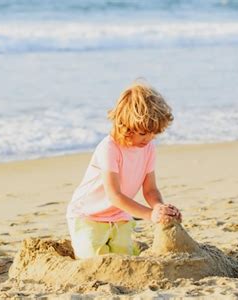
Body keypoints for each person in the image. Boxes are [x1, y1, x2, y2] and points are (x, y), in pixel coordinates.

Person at [66, 81, 182, 259]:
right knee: (94, 260)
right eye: (143, 133)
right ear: (126, 125)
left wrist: (159, 207)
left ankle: (126, 243)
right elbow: (115, 196)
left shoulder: (148, 148)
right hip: (88, 215)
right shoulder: (110, 148)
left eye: (154, 133)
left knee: (124, 258)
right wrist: (150, 215)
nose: (149, 138)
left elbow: (150, 189)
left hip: (120, 215)